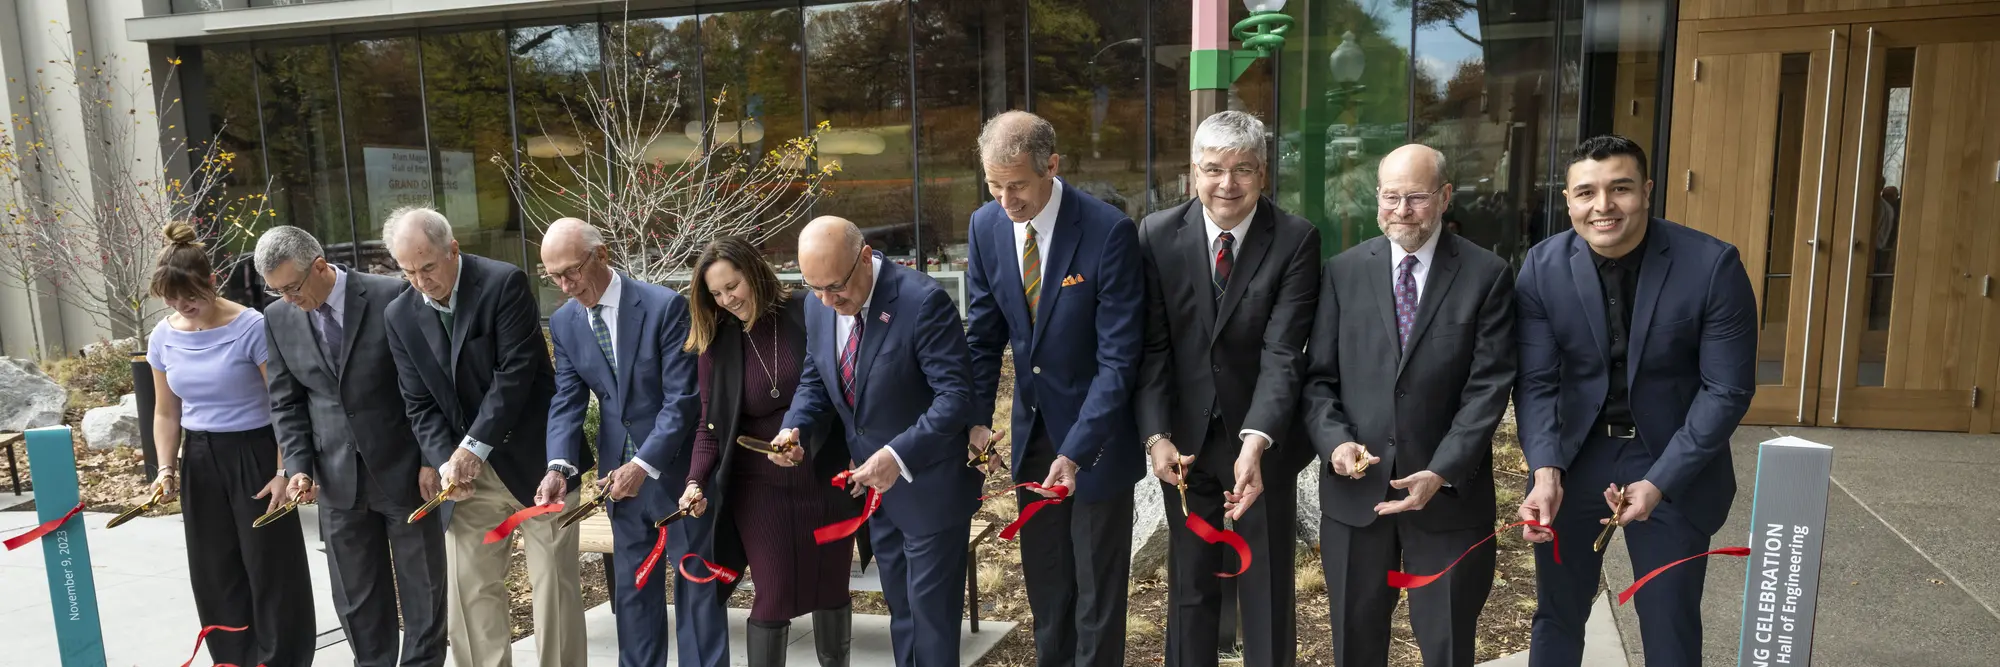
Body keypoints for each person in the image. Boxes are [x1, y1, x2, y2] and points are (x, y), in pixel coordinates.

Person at [1514, 135, 1756, 667]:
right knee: (1556, 614)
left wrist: (1661, 480)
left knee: (1668, 622)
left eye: (1620, 188)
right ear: (1568, 200)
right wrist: (1545, 472)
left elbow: (1728, 389)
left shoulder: (1713, 266)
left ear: (1646, 191)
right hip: (1575, 459)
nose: (1603, 206)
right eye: (1586, 193)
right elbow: (1537, 382)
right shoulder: (1541, 267)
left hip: (1673, 457)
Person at [1301, 144, 1517, 667]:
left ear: (1444, 197)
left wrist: (1440, 471)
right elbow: (1317, 381)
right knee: (1355, 642)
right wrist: (1335, 444)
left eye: (1416, 197)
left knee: (1446, 644)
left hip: (1447, 500)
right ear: (1377, 198)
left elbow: (1487, 389)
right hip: (1357, 497)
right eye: (1391, 196)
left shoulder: (1487, 275)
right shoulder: (1342, 271)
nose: (1401, 210)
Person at [1134, 110, 1321, 667]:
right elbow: (1152, 348)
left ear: (1263, 173)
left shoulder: (1294, 239)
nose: (1228, 184)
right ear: (1194, 172)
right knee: (1190, 587)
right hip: (1185, 443)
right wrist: (1155, 436)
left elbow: (1283, 351)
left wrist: (1256, 442)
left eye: (1242, 169)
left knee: (1265, 589)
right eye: (1214, 169)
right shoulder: (1156, 234)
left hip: (1261, 444)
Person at [961, 110, 1143, 667]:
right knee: (1046, 583)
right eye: (994, 185)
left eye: (1017, 184)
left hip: (1097, 439)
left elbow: (1119, 359)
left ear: (1052, 165)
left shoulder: (1108, 229)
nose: (1005, 199)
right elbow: (982, 337)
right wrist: (974, 418)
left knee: (1096, 593)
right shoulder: (985, 226)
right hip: (1032, 435)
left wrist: (1077, 449)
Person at [767, 216, 979, 667]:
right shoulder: (817, 305)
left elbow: (955, 397)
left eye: (836, 287)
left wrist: (897, 455)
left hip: (928, 486)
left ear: (865, 257)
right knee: (901, 615)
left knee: (932, 624)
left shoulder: (922, 301)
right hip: (877, 492)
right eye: (815, 287)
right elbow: (815, 379)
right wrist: (794, 426)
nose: (827, 300)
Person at [379, 206, 585, 667]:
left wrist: (471, 447)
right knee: (470, 595)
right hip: (466, 477)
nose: (420, 281)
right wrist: (449, 461)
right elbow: (419, 403)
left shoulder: (503, 284)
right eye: (408, 271)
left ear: (453, 248)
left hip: (535, 462)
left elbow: (514, 375)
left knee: (553, 587)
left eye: (428, 266)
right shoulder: (398, 314)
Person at [536, 219, 725, 667]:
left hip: (677, 475)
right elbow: (567, 399)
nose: (564, 287)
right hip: (616, 483)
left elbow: (684, 400)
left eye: (571, 272)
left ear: (601, 255)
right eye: (553, 277)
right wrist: (559, 466)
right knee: (634, 594)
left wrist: (642, 464)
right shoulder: (564, 322)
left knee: (695, 588)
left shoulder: (664, 307)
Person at [259, 225, 447, 667]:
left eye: (292, 287)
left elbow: (429, 383)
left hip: (405, 472)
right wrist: (298, 467)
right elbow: (286, 402)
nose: (287, 298)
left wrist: (429, 458)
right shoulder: (279, 318)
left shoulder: (392, 295)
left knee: (424, 591)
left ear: (320, 266)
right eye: (275, 292)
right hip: (334, 480)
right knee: (357, 599)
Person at [680, 236, 858, 667]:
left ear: (755, 272)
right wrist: (693, 481)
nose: (726, 300)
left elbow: (845, 391)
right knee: (773, 594)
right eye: (716, 294)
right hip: (759, 488)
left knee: (832, 586)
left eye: (732, 286)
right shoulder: (717, 343)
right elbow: (710, 427)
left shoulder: (808, 310)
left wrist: (859, 451)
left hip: (825, 476)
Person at [146, 221, 316, 667]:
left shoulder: (252, 327)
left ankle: (284, 659)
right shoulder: (163, 336)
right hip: (200, 457)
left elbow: (284, 405)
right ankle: (232, 659)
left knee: (270, 566)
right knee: (214, 568)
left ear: (212, 282)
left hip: (257, 452)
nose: (183, 307)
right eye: (172, 301)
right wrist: (166, 469)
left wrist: (283, 471)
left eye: (191, 298)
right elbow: (166, 411)